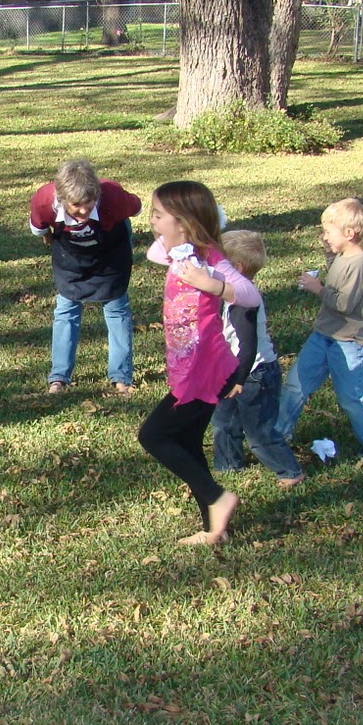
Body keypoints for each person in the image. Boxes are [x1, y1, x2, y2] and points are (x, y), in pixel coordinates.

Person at [137, 181, 260, 546]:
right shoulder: (178, 253)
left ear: (184, 222)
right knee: (187, 442)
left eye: (158, 215)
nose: (152, 220)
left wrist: (211, 283)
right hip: (188, 366)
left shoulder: (211, 260)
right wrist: (173, 241)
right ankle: (213, 530)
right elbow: (153, 253)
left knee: (153, 435)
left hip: (207, 369)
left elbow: (251, 295)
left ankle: (218, 498)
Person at [276, 197, 363, 457]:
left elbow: (344, 304)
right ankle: (278, 434)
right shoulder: (343, 256)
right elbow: (337, 274)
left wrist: (318, 288)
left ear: (350, 234)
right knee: (295, 384)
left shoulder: (359, 264)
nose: (325, 236)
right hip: (323, 335)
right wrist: (329, 255)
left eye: (329, 231)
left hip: (348, 342)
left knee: (351, 396)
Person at [28, 158, 142, 395]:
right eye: (75, 205)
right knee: (66, 307)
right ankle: (59, 377)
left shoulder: (113, 196)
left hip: (112, 251)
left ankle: (121, 377)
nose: (83, 211)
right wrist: (51, 239)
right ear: (61, 198)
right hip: (71, 256)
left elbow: (137, 207)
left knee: (116, 307)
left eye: (89, 204)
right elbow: (40, 228)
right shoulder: (44, 201)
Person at [213, 230, 304, 487]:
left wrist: (239, 379)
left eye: (218, 262)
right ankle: (228, 464)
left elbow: (248, 345)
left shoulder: (243, 301)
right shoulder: (230, 294)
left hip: (254, 373)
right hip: (231, 370)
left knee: (259, 431)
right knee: (224, 421)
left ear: (237, 268)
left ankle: (290, 471)